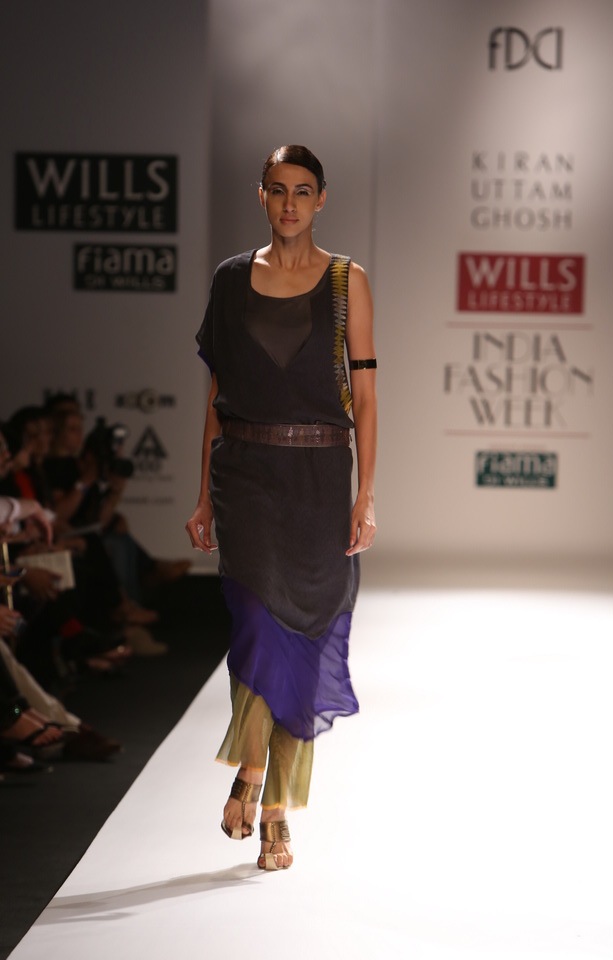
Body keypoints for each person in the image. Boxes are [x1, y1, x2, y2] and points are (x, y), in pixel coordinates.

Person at [186, 145, 377, 871]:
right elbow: (216, 393)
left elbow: (366, 397)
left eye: (302, 190)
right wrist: (203, 493)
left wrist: (365, 495)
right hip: (245, 474)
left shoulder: (347, 282)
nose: (289, 203)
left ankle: (272, 802)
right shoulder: (230, 280)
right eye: (277, 190)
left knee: (305, 633)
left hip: (320, 478)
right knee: (258, 625)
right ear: (260, 195)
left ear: (321, 198)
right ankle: (255, 777)